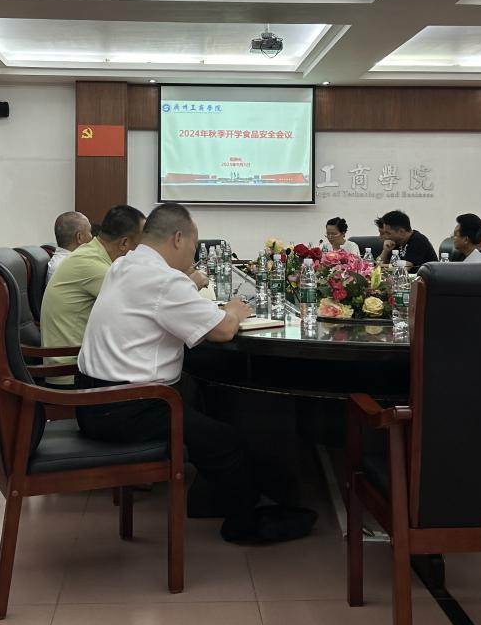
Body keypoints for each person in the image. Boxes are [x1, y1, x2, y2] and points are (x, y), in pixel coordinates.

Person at [75, 203, 316, 544]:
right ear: (178, 238)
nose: (194, 252)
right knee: (225, 441)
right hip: (127, 407)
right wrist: (234, 310)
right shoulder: (163, 280)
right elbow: (222, 330)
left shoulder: (126, 264)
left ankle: (215, 498)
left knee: (204, 392)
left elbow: (164, 306)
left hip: (93, 398)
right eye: (194, 243)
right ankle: (243, 524)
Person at [41, 205, 146, 380]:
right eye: (141, 244)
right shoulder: (89, 263)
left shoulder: (93, 254)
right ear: (124, 243)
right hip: (71, 372)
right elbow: (140, 304)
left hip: (84, 361)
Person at [47, 211, 93, 282]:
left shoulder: (63, 261)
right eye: (89, 231)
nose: (91, 237)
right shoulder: (71, 267)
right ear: (79, 237)